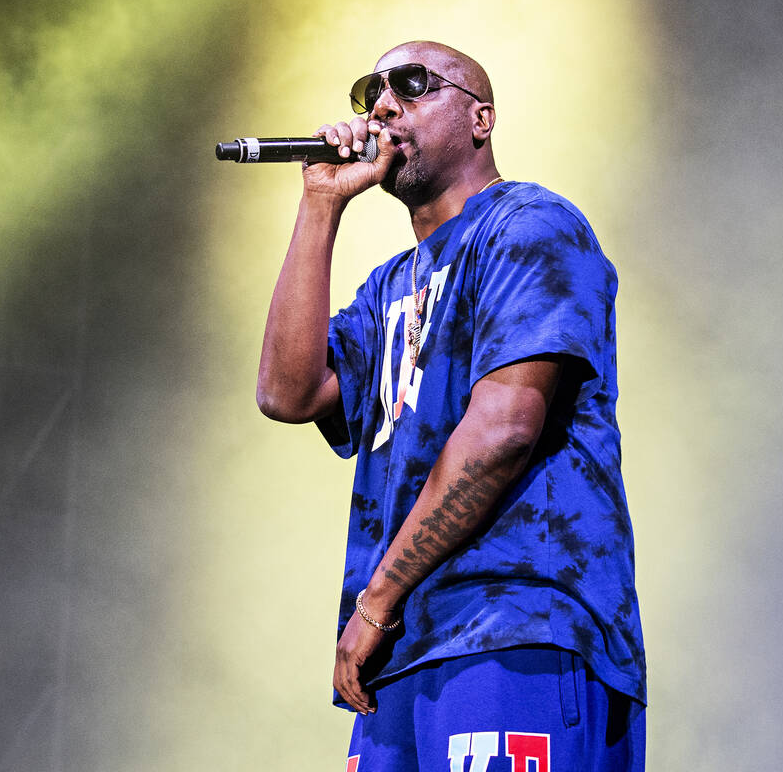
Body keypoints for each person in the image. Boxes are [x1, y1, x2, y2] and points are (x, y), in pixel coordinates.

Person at [255, 41, 646, 771]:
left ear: (480, 119)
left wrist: (377, 599)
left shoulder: (529, 223)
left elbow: (504, 430)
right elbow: (287, 393)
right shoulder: (388, 287)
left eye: (412, 84)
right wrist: (320, 204)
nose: (382, 106)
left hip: (517, 626)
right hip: (402, 651)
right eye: (370, 92)